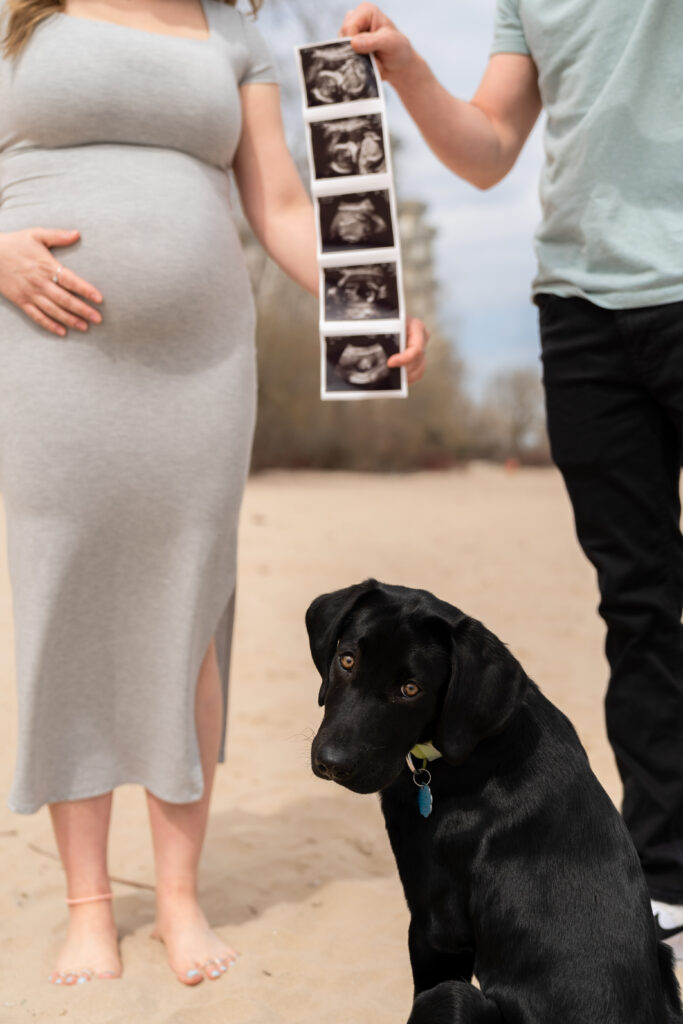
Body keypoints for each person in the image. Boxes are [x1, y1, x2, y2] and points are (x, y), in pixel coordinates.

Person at [0, 0, 427, 989]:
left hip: (199, 369)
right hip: (49, 350)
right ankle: (89, 906)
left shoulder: (231, 34)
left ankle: (179, 898)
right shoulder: (21, 14)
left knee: (187, 614)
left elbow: (276, 205)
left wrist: (367, 302)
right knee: (67, 603)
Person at [341, 0, 683, 959]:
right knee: (640, 603)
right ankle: (666, 874)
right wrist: (406, 64)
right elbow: (489, 148)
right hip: (581, 305)